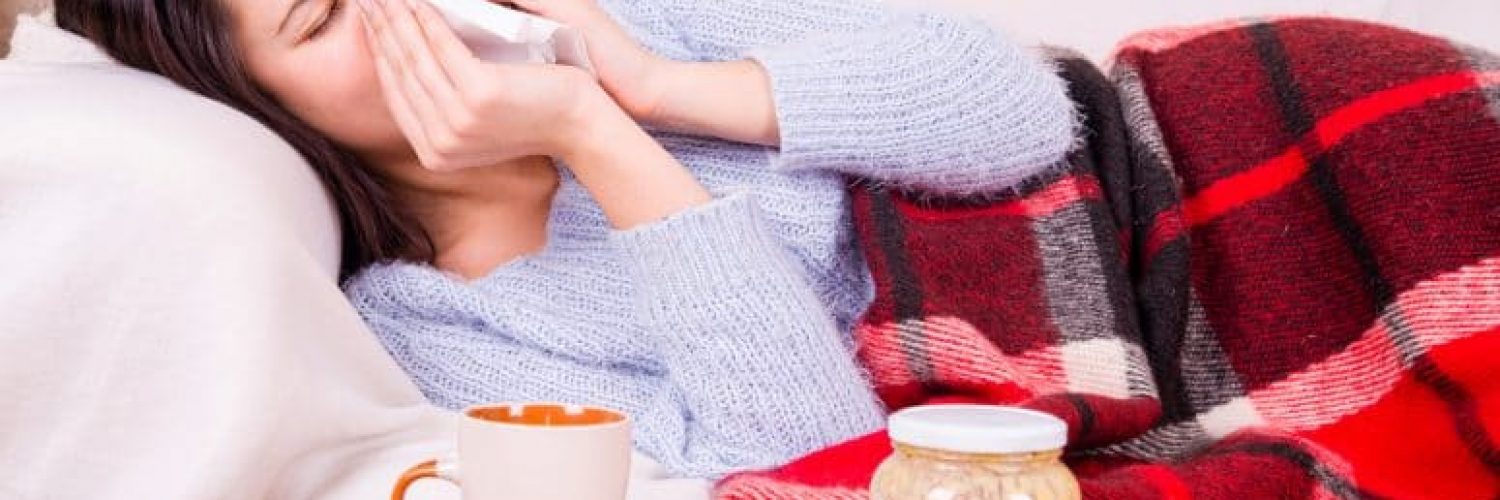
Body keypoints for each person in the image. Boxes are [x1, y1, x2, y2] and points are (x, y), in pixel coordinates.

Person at [54, 0, 1076, 477]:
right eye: (321, 16)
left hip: (1117, 210)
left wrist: (655, 90)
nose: (397, 10)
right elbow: (807, 462)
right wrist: (591, 135)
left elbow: (1019, 111)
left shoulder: (637, 33)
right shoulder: (430, 321)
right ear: (273, 113)